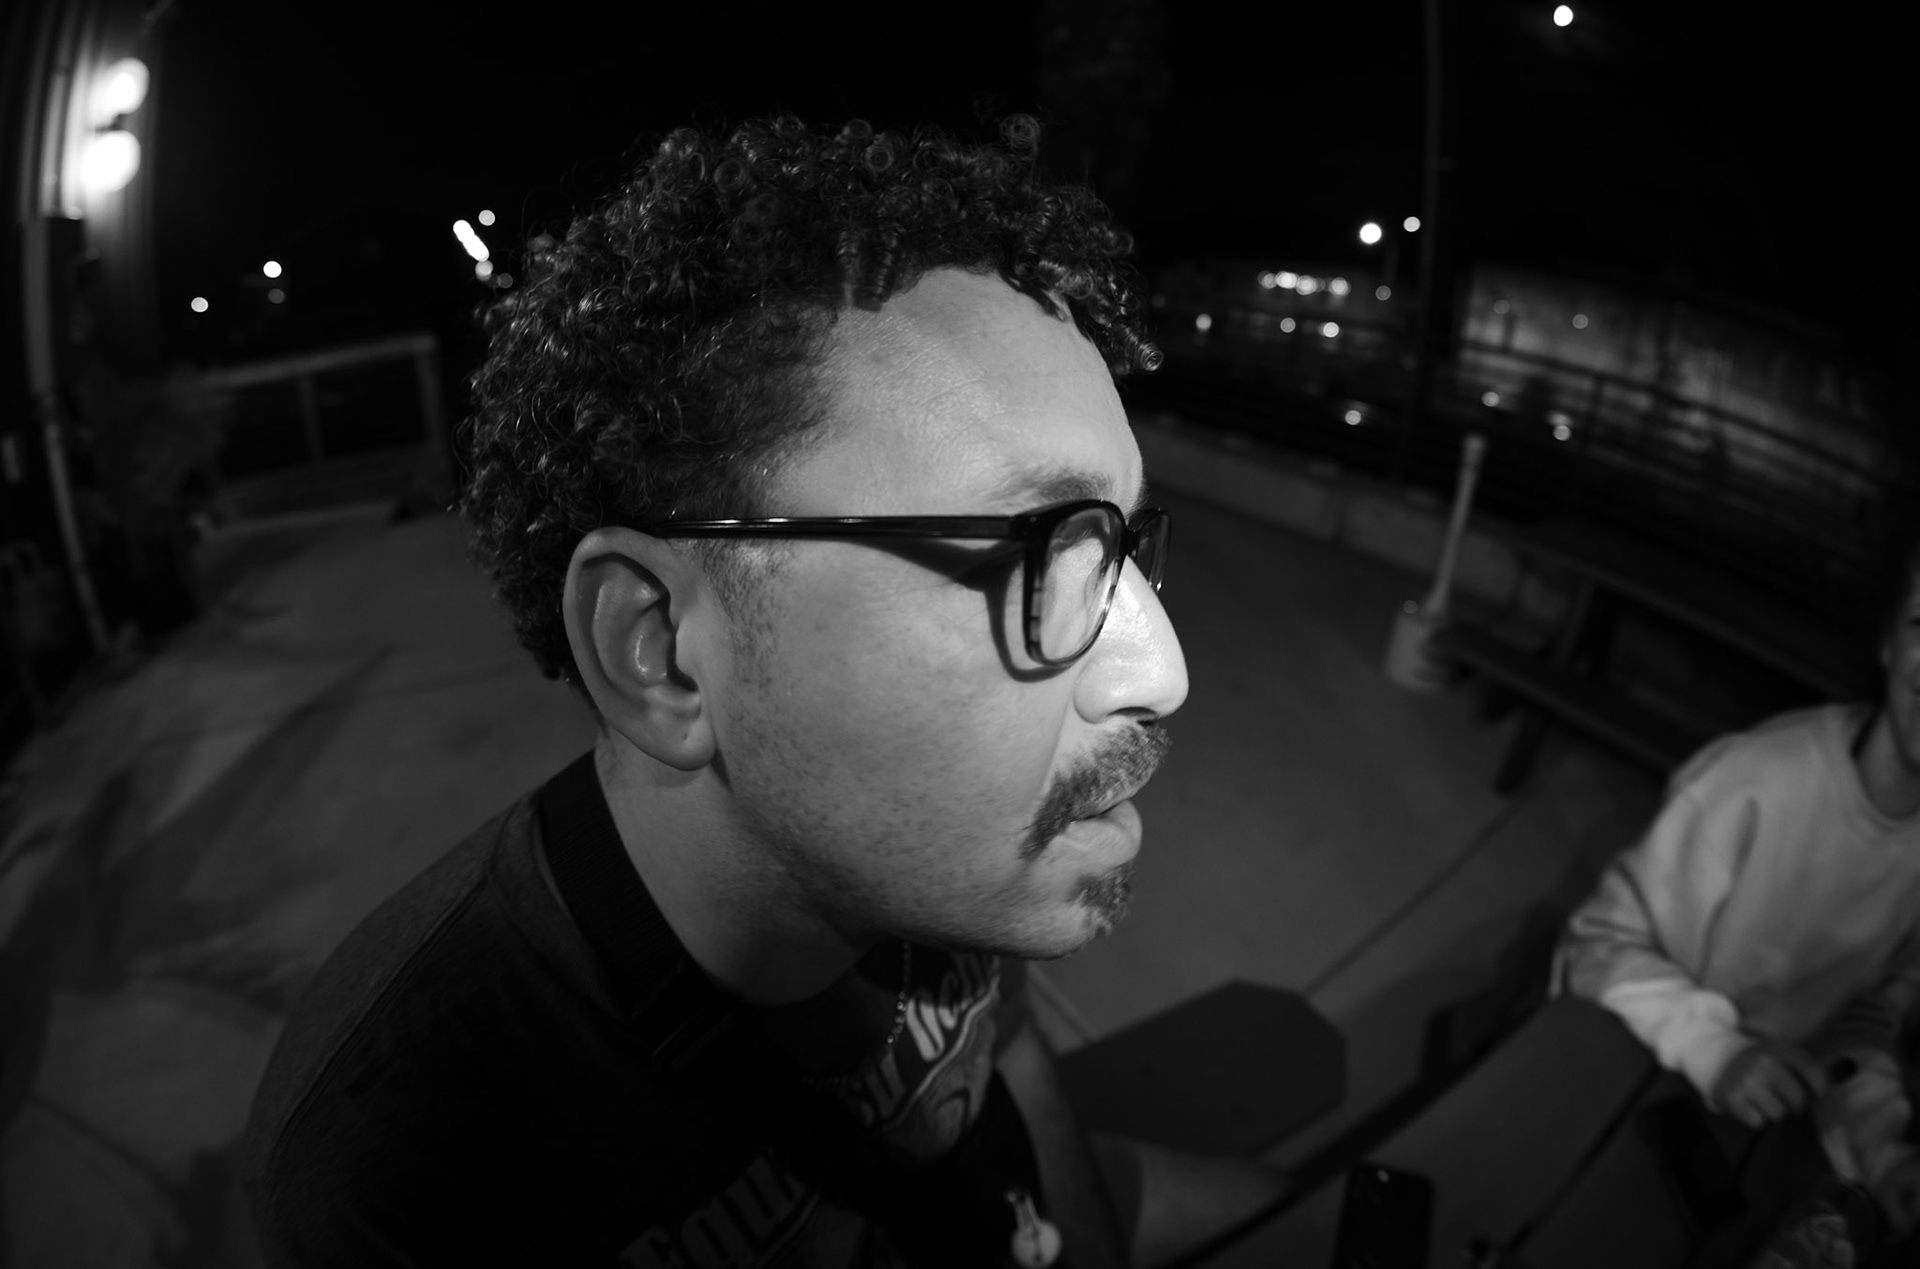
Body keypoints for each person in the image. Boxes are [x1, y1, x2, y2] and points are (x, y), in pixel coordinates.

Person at [241, 114, 1280, 1267]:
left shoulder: (948, 862)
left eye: (1120, 544)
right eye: (1038, 551)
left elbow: (1009, 1065)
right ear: (664, 651)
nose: (1162, 671)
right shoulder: (398, 1155)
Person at [1555, 546, 1920, 1239]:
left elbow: (1863, 1020)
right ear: (1887, 641)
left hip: (1753, 1128)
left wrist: (1883, 1150)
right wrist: (1716, 1049)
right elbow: (1595, 947)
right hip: (1625, 1079)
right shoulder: (1758, 780)